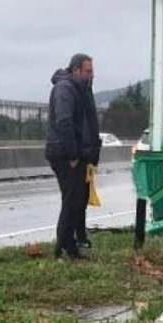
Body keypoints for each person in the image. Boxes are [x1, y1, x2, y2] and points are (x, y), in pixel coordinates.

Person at [45, 53, 101, 259]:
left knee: (78, 199)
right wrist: (73, 155)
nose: (91, 76)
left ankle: (72, 244)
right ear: (76, 70)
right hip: (64, 153)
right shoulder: (65, 89)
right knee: (71, 200)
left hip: (78, 152)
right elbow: (64, 122)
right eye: (88, 71)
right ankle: (63, 248)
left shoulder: (80, 89)